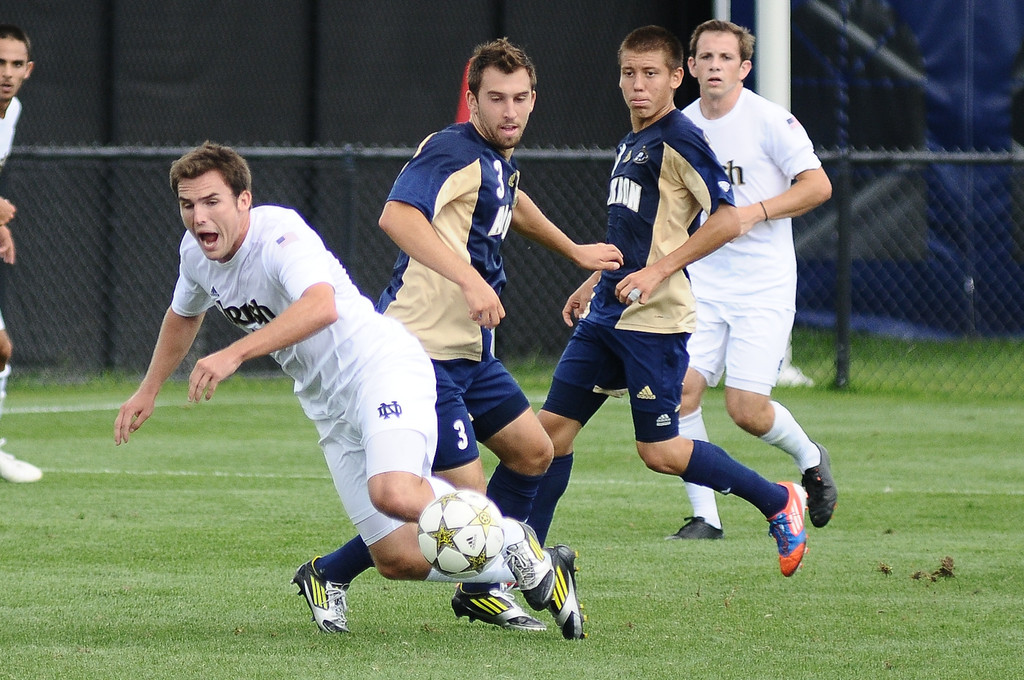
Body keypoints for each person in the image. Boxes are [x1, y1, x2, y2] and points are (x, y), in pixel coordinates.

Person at [113, 142, 584, 639]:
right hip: (330, 405)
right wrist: (148, 390)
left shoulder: (278, 236)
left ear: (243, 201)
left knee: (394, 491)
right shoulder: (195, 253)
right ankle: (533, 564)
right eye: (188, 205)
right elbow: (183, 315)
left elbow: (321, 306)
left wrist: (235, 353)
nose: (198, 216)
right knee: (396, 558)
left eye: (211, 201)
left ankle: (517, 545)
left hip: (382, 369)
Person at [299, 38, 620, 635]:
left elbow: (510, 202)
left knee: (534, 453)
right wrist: (471, 280)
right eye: (495, 98)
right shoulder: (451, 148)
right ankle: (487, 582)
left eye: (520, 98)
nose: (510, 111)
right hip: (419, 354)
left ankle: (476, 586)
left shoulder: (497, 157)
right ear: (471, 99)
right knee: (467, 502)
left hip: (471, 354)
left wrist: (573, 250)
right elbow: (396, 216)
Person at [529, 25, 809, 577]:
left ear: (677, 78)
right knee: (547, 437)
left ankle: (778, 501)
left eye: (651, 73)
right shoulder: (631, 142)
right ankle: (523, 562)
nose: (638, 84)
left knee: (659, 453)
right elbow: (637, 235)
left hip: (653, 324)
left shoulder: (680, 138)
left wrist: (660, 270)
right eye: (629, 72)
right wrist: (596, 280)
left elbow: (727, 218)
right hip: (609, 313)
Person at [666, 20, 836, 541]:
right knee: (680, 397)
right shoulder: (682, 126)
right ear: (690, 68)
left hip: (763, 285)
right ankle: (706, 518)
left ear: (743, 68)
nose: (714, 66)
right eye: (705, 57)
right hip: (705, 284)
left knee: (746, 410)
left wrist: (755, 211)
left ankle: (811, 458)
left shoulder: (769, 121)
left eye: (726, 58)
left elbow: (818, 186)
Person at [0, 24, 40, 484]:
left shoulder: (12, 113)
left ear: (27, 70)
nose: (7, 73)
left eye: (15, 64)